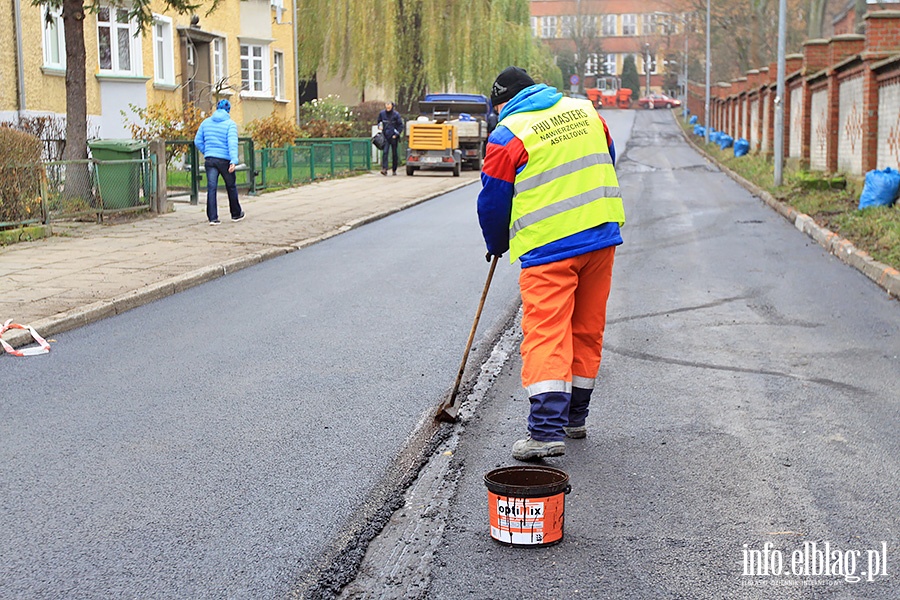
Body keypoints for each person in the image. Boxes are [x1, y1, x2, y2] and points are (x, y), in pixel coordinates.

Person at [477, 66, 626, 461]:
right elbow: (606, 158)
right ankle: (575, 418)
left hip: (550, 250)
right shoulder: (586, 110)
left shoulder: (509, 133)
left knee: (547, 332)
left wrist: (496, 242)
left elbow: (494, 200)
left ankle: (544, 432)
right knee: (587, 327)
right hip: (601, 236)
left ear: (502, 104)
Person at [194, 99, 244, 225]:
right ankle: (236, 214)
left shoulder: (206, 123)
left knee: (211, 188)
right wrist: (233, 161)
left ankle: (213, 218)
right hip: (225, 160)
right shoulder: (230, 124)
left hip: (210, 160)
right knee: (231, 186)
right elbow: (232, 143)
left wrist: (207, 151)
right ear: (228, 110)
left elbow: (197, 141)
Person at [377, 101, 404, 176]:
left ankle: (394, 169)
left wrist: (396, 134)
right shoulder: (382, 114)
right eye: (386, 105)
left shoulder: (396, 115)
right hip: (385, 136)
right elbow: (379, 121)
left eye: (389, 105)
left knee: (394, 153)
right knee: (385, 152)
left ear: (392, 106)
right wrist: (379, 126)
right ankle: (384, 169)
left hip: (393, 137)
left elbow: (400, 126)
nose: (387, 107)